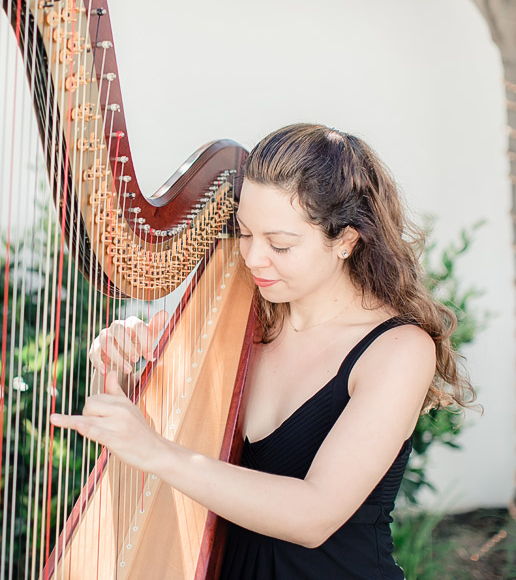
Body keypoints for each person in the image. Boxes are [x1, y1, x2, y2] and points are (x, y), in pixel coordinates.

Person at [49, 123, 475, 579]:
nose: (252, 258)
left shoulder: (397, 350)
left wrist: (156, 451)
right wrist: (117, 370)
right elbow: (145, 430)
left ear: (346, 241)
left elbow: (315, 515)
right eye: (245, 232)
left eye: (280, 245)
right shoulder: (243, 311)